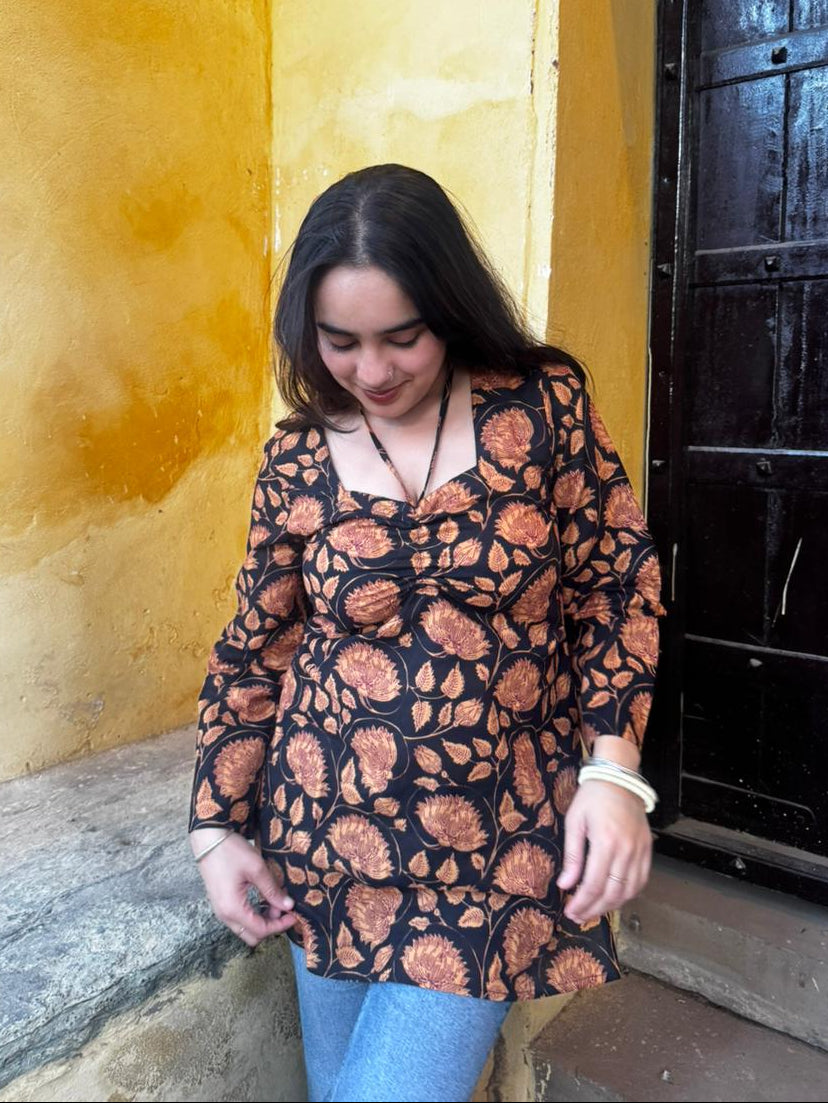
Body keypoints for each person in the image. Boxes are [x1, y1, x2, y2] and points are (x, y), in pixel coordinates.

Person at [187, 164, 667, 1103]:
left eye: (401, 337)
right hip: (323, 843)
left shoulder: (542, 408)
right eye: (340, 342)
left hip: (492, 850)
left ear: (449, 308)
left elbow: (617, 582)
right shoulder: (295, 457)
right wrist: (215, 827)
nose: (372, 371)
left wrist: (613, 772)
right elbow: (256, 647)